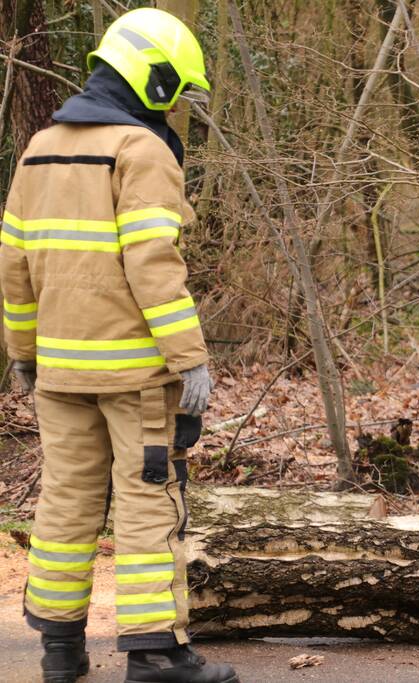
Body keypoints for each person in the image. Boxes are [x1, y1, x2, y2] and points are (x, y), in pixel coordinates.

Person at [1, 8, 237, 682]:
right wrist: (189, 356)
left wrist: (22, 351)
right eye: (177, 90)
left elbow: (12, 263)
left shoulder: (39, 148)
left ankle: (59, 649)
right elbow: (153, 262)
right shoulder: (143, 151)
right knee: (146, 503)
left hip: (59, 371)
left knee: (65, 502)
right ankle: (155, 654)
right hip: (136, 373)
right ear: (153, 79)